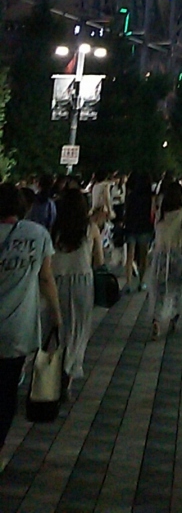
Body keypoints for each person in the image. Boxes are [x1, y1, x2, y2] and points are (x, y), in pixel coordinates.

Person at [0, 183, 62, 450]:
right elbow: (46, 278)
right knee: (6, 393)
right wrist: (56, 314)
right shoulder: (37, 234)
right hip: (16, 326)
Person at [52, 186, 103, 393]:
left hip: (57, 281)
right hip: (82, 281)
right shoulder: (91, 229)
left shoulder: (54, 230)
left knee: (59, 327)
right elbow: (99, 261)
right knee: (79, 329)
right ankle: (70, 369)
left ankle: (57, 365)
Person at [148, 180, 182, 339]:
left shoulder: (161, 212)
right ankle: (174, 317)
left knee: (160, 290)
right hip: (178, 255)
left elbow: (157, 231)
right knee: (177, 289)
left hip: (161, 255)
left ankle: (156, 320)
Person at [124, 172, 154, 292]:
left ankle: (128, 283)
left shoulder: (131, 196)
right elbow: (152, 213)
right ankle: (141, 282)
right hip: (144, 227)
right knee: (143, 257)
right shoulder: (149, 197)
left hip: (131, 227)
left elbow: (127, 211)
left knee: (130, 256)